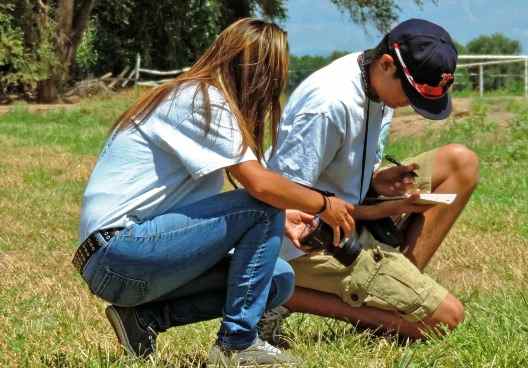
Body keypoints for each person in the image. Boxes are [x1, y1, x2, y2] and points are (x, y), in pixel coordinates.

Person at [73, 18, 354, 366]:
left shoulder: (202, 99)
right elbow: (261, 186)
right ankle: (236, 346)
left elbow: (195, 207)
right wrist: (324, 204)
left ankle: (142, 320)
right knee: (263, 205)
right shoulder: (200, 99)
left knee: (278, 278)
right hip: (118, 252)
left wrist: (282, 221)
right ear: (259, 72)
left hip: (124, 258)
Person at [262, 19, 479, 343]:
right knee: (443, 319)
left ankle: (389, 294)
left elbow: (342, 169)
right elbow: (286, 204)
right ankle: (279, 292)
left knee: (461, 163)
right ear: (387, 63)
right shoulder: (329, 104)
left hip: (348, 209)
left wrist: (378, 182)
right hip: (304, 239)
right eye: (410, 95)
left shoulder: (377, 85)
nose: (411, 106)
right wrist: (381, 211)